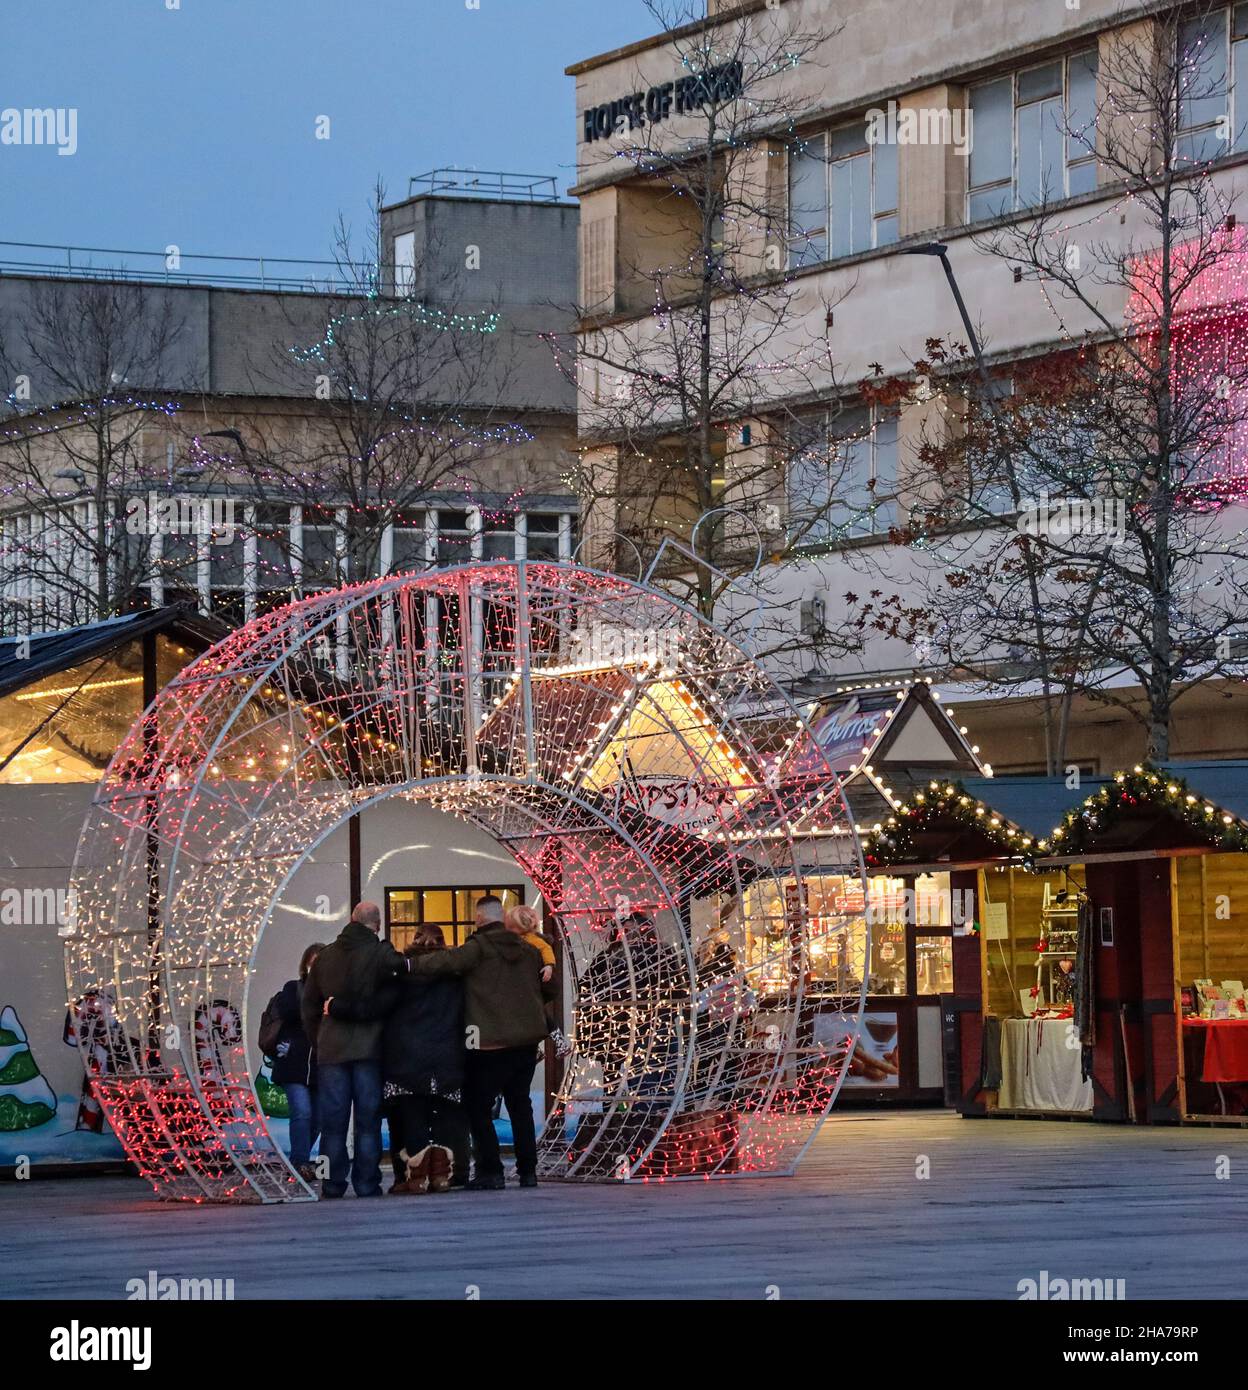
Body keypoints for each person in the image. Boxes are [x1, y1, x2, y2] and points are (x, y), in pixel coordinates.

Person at [410, 894, 553, 1189]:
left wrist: (409, 965)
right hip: (525, 1042)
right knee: (520, 1106)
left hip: (489, 1043)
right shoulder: (529, 950)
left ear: (478, 919)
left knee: (478, 1107)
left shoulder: (478, 948)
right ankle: (528, 1171)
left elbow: (446, 962)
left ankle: (491, 1172)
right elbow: (548, 991)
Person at [327, 925, 470, 1194]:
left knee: (408, 1117)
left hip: (405, 1058)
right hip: (446, 1056)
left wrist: (336, 1006)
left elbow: (375, 1008)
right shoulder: (455, 976)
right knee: (445, 1118)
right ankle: (441, 1175)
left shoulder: (400, 976)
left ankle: (411, 1177)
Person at [301, 901, 405, 1199]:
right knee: (368, 1122)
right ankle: (367, 1183)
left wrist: (319, 1039)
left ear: (350, 920)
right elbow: (393, 995)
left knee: (332, 1123)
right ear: (378, 925)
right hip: (369, 1050)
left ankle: (332, 1184)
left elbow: (308, 1006)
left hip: (331, 1050)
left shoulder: (325, 957)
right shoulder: (381, 954)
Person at [270, 942, 325, 1182]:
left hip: (320, 1065)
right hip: (294, 1063)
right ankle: (300, 1162)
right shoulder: (293, 989)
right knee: (301, 1112)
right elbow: (291, 1012)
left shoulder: (332, 993)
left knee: (319, 1118)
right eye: (313, 964)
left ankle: (299, 1162)